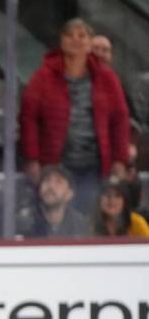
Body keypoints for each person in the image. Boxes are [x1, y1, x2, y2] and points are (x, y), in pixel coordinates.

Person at [19, 19, 130, 214]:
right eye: (69, 35)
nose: (76, 40)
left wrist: (120, 160)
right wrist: (32, 159)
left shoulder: (106, 77)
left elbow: (120, 120)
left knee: (89, 218)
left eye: (82, 36)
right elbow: (29, 119)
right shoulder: (43, 76)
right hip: (56, 164)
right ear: (61, 41)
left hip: (95, 165)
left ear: (89, 44)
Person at [15, 165, 90, 238]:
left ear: (69, 194)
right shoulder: (25, 221)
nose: (51, 186)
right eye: (47, 180)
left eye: (58, 182)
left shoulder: (79, 224)